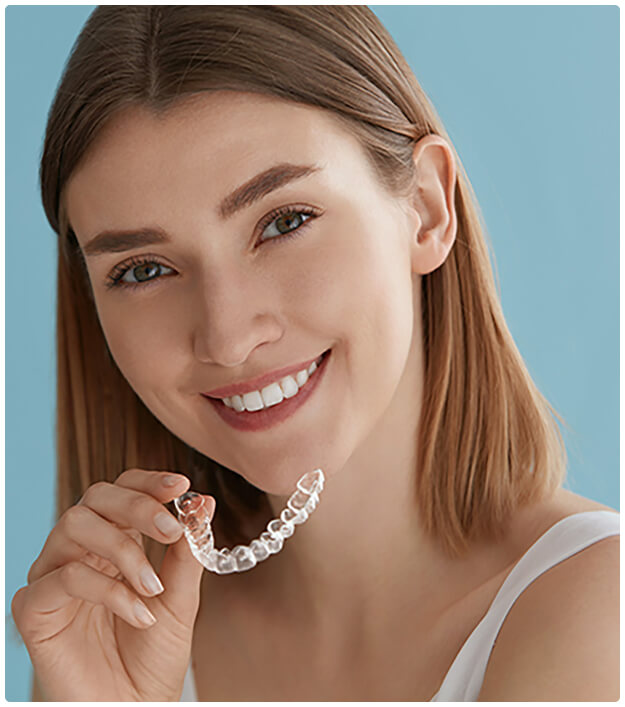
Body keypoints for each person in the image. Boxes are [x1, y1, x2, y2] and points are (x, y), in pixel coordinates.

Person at [11, 6, 618, 702]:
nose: (227, 336)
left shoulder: (597, 613)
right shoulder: (123, 640)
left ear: (424, 208)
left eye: (283, 221)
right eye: (144, 270)